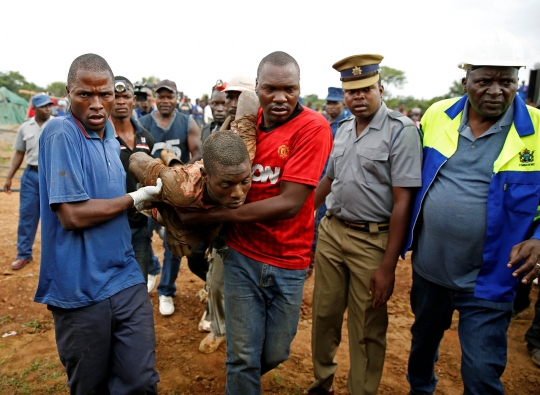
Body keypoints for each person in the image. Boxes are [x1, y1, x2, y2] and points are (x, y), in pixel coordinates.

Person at [180, 51, 333, 393]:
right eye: (271, 89)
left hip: (288, 259)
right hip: (242, 255)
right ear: (258, 87)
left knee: (275, 353)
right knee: (243, 357)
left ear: (299, 88)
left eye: (289, 89)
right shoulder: (243, 129)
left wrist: (215, 215)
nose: (280, 98)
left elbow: (291, 204)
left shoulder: (313, 127)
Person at [404, 29, 540, 395]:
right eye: (484, 81)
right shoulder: (437, 115)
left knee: (482, 374)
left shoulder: (538, 130)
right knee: (422, 345)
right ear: (466, 81)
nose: (495, 90)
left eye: (506, 81)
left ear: (518, 82)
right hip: (431, 271)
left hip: (492, 278)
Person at [35, 53, 160, 393]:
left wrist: (157, 204)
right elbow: (73, 215)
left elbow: (111, 201)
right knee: (90, 384)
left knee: (141, 380)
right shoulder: (61, 131)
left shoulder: (109, 139)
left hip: (124, 274)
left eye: (104, 94)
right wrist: (135, 199)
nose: (96, 104)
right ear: (67, 93)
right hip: (79, 285)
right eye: (84, 95)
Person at [308, 54, 422, 395]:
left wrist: (388, 266)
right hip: (331, 232)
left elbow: (403, 201)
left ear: (381, 89)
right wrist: (302, 219)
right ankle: (321, 382)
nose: (358, 97)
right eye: (351, 91)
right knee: (324, 315)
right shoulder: (341, 129)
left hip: (372, 242)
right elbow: (328, 180)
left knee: (367, 326)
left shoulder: (400, 132)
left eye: (366, 89)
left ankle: (361, 390)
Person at [197, 75, 257, 354]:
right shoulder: (222, 132)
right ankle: (219, 329)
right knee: (217, 283)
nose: (233, 103)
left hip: (255, 225)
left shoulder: (264, 131)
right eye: (229, 97)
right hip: (223, 225)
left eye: (238, 96)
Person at [139, 79, 202, 316]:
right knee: (141, 236)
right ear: (155, 98)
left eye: (170, 96)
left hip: (176, 194)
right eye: (161, 96)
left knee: (173, 244)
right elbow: (137, 154)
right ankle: (151, 270)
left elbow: (197, 152)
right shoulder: (143, 123)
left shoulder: (187, 122)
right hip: (148, 191)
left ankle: (166, 290)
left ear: (177, 97)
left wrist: (182, 174)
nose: (165, 101)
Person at [110, 75, 155, 283]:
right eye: (115, 96)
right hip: (109, 224)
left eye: (125, 96)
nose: (120, 101)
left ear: (133, 100)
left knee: (138, 284)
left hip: (139, 225)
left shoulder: (146, 137)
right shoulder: (100, 137)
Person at [4, 94, 53, 270]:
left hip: (53, 177)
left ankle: (55, 257)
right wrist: (9, 177)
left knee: (56, 217)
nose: (48, 108)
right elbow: (19, 153)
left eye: (49, 105)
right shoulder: (25, 127)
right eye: (43, 106)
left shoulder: (58, 125)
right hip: (31, 176)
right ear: (35, 108)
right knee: (27, 215)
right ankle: (23, 254)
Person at [307, 87, 348, 277]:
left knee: (321, 220)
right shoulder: (325, 122)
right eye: (329, 103)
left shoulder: (346, 125)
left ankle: (314, 259)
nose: (331, 106)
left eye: (335, 103)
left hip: (331, 183)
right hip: (317, 179)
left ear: (343, 104)